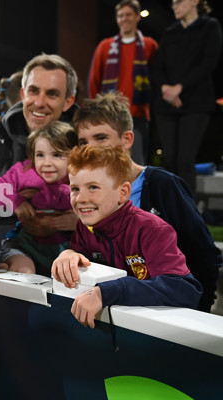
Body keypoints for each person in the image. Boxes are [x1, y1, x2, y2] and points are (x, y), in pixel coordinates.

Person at [72, 92, 222, 312]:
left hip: (174, 309)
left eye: (101, 137)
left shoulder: (163, 185)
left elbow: (204, 253)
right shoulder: (87, 197)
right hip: (126, 310)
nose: (91, 147)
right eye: (83, 141)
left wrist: (199, 310)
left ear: (127, 139)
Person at [52, 145, 203, 329]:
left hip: (154, 334)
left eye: (93, 187)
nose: (80, 198)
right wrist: (69, 254)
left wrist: (106, 292)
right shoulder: (85, 226)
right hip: (113, 333)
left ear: (123, 192)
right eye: (75, 188)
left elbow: (185, 290)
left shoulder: (152, 229)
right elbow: (80, 264)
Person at [0, 53, 78, 263]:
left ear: (68, 101)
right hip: (1, 260)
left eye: (52, 94)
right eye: (34, 91)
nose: (39, 102)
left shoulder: (83, 141)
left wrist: (78, 220)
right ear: (23, 93)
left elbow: (107, 207)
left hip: (71, 263)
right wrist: (20, 203)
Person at [0, 121, 77, 276]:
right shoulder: (25, 171)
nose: (46, 163)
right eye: (40, 155)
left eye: (57, 155)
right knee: (24, 272)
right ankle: (4, 269)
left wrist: (78, 221)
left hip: (68, 249)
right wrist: (16, 202)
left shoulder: (79, 177)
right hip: (25, 245)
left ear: (74, 155)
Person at [153, 0, 222, 197]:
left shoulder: (210, 27)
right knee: (170, 160)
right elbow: (158, 66)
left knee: (185, 161)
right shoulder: (170, 32)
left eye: (178, 2)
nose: (174, 6)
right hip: (167, 104)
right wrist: (166, 88)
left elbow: (208, 63)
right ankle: (169, 210)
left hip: (196, 104)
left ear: (194, 1)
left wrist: (179, 88)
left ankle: (187, 212)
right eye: (172, 3)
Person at [88, 0, 158, 164]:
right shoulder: (105, 46)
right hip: (109, 115)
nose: (124, 19)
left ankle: (136, 191)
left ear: (137, 17)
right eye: (120, 15)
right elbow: (94, 81)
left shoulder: (149, 45)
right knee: (109, 161)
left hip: (138, 114)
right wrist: (95, 112)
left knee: (136, 162)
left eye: (128, 15)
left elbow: (157, 78)